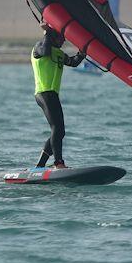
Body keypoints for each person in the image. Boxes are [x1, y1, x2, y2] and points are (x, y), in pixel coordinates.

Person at [32, 22, 86, 168]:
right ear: (53, 37)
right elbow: (45, 52)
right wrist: (48, 32)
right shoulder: (39, 47)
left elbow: (73, 62)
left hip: (52, 95)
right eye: (61, 38)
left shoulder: (59, 53)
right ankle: (58, 163)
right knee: (57, 128)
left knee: (59, 131)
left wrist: (83, 52)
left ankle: (40, 166)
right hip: (44, 92)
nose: (64, 41)